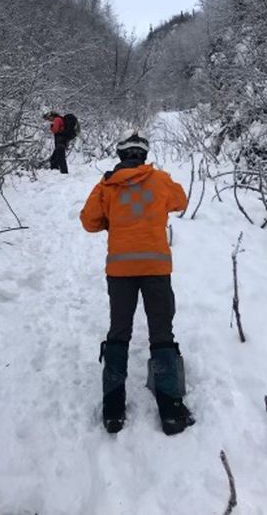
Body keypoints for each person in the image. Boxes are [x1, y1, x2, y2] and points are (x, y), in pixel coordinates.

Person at [80, 131, 194, 435]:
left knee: (119, 332)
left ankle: (113, 411)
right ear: (144, 155)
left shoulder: (107, 185)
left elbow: (89, 221)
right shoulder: (159, 180)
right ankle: (171, 412)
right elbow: (181, 201)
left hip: (119, 270)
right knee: (161, 332)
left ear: (120, 156)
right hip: (156, 266)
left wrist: (111, 217)